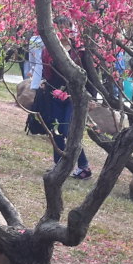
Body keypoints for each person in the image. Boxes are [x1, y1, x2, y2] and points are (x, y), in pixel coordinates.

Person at [25, 17, 92, 180]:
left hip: (74, 97)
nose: (62, 31)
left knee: (68, 130)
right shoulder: (49, 50)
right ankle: (58, 165)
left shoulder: (79, 50)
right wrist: (42, 83)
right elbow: (45, 70)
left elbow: (90, 75)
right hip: (53, 94)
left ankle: (84, 166)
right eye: (58, 27)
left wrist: (92, 97)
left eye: (65, 27)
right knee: (55, 130)